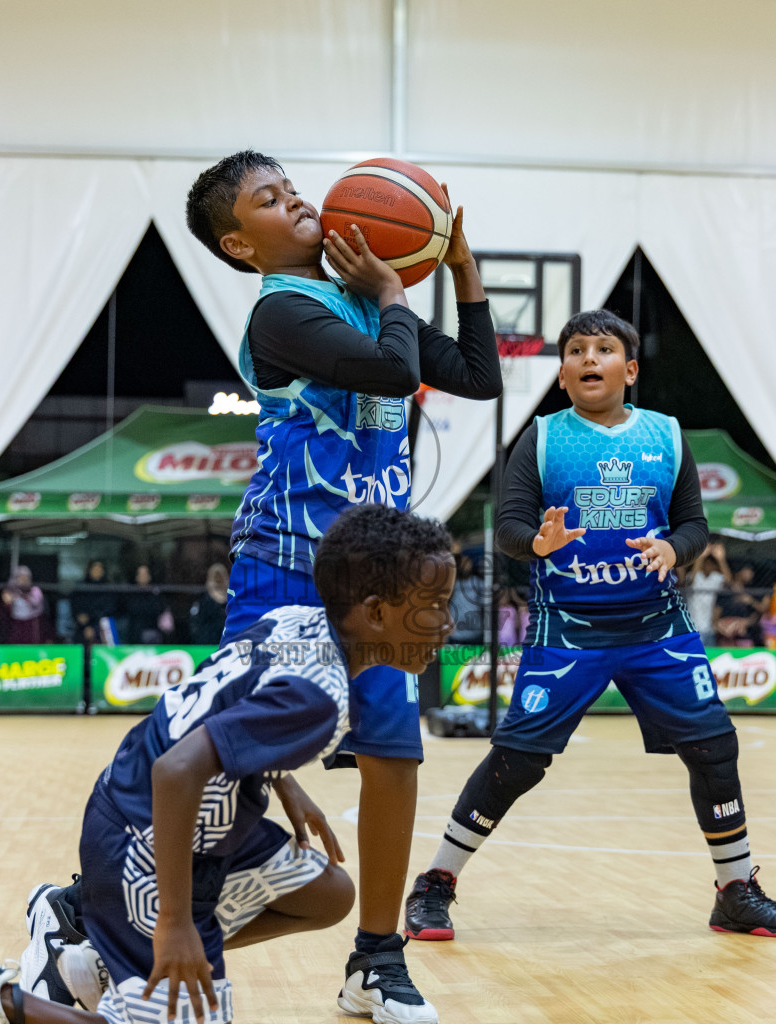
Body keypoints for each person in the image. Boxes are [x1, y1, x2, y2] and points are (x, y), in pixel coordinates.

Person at [0, 504, 458, 1024]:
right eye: (436, 604)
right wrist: (174, 925)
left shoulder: (298, 621)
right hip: (144, 838)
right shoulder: (319, 697)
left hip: (159, 809)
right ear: (376, 612)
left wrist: (283, 781)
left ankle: (109, 962)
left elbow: (223, 703)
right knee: (176, 954)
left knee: (329, 894)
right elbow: (175, 772)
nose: (449, 624)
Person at [183, 149, 500, 1023]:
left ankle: (377, 957)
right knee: (226, 771)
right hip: (285, 560)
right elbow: (398, 373)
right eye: (270, 202)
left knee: (395, 751)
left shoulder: (361, 300)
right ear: (243, 245)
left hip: (377, 575)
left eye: (292, 187)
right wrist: (397, 298)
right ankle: (114, 916)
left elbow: (478, 376)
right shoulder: (282, 309)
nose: (296, 202)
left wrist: (460, 267)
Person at [405, 310, 776, 950]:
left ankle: (736, 891)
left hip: (657, 627)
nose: (589, 357)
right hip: (568, 628)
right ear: (563, 376)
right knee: (518, 759)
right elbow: (508, 527)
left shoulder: (668, 436)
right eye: (575, 350)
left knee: (713, 748)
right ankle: (436, 884)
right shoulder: (539, 439)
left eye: (604, 347)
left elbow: (694, 525)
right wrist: (535, 541)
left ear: (630, 368)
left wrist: (677, 550)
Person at [684, 542, 730, 648]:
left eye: (711, 563)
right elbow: (692, 581)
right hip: (692, 626)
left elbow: (728, 580)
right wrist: (701, 557)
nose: (709, 565)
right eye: (706, 562)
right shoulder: (696, 576)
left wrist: (721, 559)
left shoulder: (715, 578)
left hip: (708, 627)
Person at [71, 561, 120, 644]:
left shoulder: (108, 588)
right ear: (89, 570)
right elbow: (77, 607)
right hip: (83, 626)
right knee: (81, 638)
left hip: (102, 624)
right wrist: (85, 625)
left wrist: (95, 625)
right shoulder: (81, 587)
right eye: (94, 568)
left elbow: (109, 609)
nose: (97, 571)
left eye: (99, 569)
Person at [713, 566, 763, 647]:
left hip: (746, 634)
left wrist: (750, 601)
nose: (750, 574)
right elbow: (716, 614)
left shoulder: (753, 590)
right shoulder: (725, 591)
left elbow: (759, 613)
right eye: (747, 570)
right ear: (738, 573)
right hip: (725, 634)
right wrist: (720, 625)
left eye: (752, 572)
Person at [126, 565, 170, 645]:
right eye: (140, 574)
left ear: (149, 576)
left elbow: (159, 609)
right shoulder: (131, 593)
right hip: (135, 630)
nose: (143, 576)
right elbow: (131, 609)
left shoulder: (155, 593)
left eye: (145, 574)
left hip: (152, 628)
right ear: (137, 577)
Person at [186, 563, 228, 645]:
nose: (217, 583)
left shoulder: (232, 602)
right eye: (215, 579)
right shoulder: (201, 602)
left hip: (227, 644)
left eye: (220, 579)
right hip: (206, 645)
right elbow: (195, 626)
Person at [2, 566, 45, 644]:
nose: (23, 580)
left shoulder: (35, 590)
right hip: (16, 625)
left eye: (26, 578)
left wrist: (24, 595)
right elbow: (6, 608)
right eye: (20, 577)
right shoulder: (12, 591)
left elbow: (35, 604)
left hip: (32, 625)